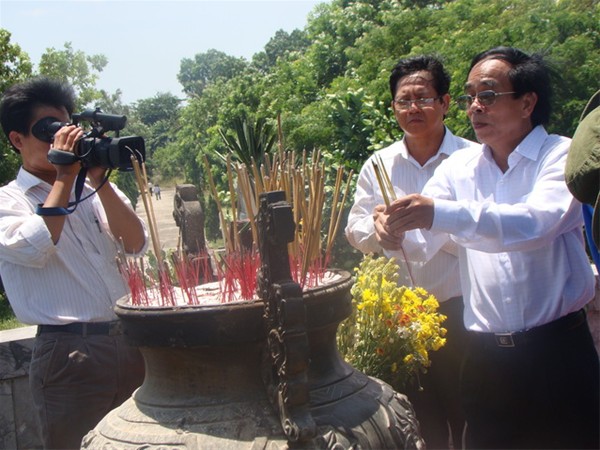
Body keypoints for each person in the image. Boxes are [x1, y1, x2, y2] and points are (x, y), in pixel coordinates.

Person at [384, 47, 600, 449]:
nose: (475, 108)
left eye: (487, 95)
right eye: (470, 97)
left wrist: (437, 214)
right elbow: (422, 243)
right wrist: (392, 231)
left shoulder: (560, 155)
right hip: (486, 360)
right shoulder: (458, 169)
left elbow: (534, 224)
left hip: (557, 353)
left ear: (527, 103)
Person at [0, 77, 147, 449]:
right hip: (68, 355)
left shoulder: (92, 190)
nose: (61, 139)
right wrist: (64, 176)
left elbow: (135, 243)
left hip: (129, 344)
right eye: (49, 131)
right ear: (17, 139)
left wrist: (99, 180)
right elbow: (33, 246)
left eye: (66, 128)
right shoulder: (9, 201)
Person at [345, 55, 479, 449]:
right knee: (418, 421)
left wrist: (433, 226)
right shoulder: (379, 163)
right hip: (403, 319)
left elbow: (486, 230)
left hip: (463, 312)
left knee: (470, 415)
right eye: (404, 101)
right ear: (393, 107)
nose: (413, 108)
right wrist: (378, 232)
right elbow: (355, 227)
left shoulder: (473, 159)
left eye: (423, 98)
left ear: (445, 103)